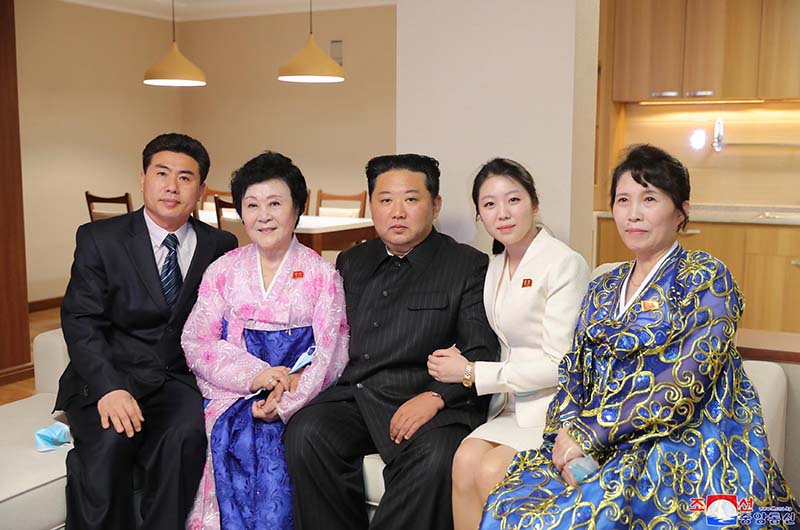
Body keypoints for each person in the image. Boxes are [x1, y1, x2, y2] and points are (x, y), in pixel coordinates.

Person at [480, 144, 799, 529]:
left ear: (681, 212)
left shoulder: (705, 277)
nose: (633, 213)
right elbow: (574, 372)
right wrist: (565, 438)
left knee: (584, 516)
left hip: (685, 443)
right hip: (601, 444)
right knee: (509, 502)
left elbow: (684, 381)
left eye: (649, 199)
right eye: (622, 200)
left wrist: (588, 434)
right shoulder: (604, 285)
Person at [283, 153, 500, 530]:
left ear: (435, 205)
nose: (397, 212)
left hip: (429, 400)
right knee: (306, 433)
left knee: (437, 457)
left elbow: (480, 349)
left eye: (411, 199)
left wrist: (435, 397)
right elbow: (328, 336)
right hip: (359, 395)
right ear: (372, 205)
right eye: (385, 200)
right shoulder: (352, 261)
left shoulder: (468, 265)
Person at [56, 133, 238, 530]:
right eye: (162, 174)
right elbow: (81, 320)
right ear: (142, 179)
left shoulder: (220, 245)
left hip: (176, 381)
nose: (172, 187)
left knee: (187, 438)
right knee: (110, 443)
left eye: (185, 178)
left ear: (201, 190)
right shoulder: (99, 238)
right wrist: (109, 388)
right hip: (112, 375)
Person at [181, 151, 349, 530]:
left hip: (295, 393)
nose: (263, 216)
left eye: (275, 203)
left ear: (297, 209)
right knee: (222, 438)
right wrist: (256, 376)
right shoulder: (223, 270)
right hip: (235, 392)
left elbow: (332, 353)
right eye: (252, 205)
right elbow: (198, 340)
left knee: (277, 450)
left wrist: (285, 396)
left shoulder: (322, 275)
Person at [427, 158, 589, 530]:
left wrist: (471, 372)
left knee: (491, 470)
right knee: (463, 459)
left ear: (534, 203)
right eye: (489, 204)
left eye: (513, 200)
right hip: (506, 407)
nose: (502, 213)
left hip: (551, 411)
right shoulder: (495, 265)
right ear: (479, 216)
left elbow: (560, 364)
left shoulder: (564, 263)